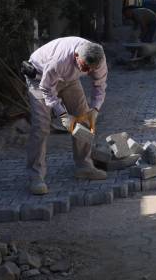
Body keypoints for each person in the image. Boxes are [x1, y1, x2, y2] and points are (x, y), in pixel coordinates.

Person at [24, 37, 108, 195]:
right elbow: (46, 89)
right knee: (41, 126)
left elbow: (100, 86)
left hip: (69, 79)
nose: (88, 72)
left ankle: (84, 166)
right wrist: (62, 114)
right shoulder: (60, 60)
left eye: (91, 69)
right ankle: (35, 176)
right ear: (77, 57)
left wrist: (95, 110)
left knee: (85, 120)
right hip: (40, 78)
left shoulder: (99, 58)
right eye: (85, 67)